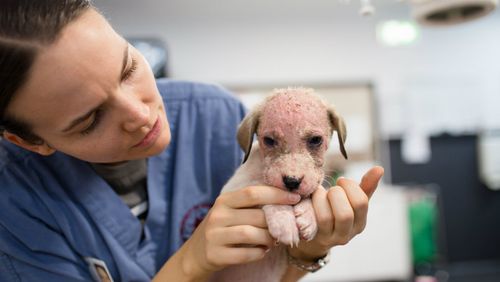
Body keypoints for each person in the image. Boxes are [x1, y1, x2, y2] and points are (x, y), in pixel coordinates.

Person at [0, 0, 384, 281]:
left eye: (129, 67)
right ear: (30, 141)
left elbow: (265, 274)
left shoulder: (212, 116)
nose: (140, 115)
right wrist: (191, 262)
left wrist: (310, 250)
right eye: (89, 119)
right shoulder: (15, 203)